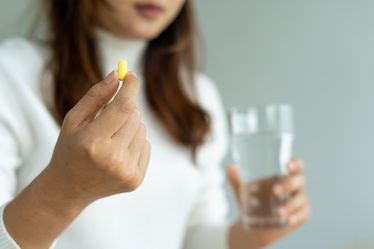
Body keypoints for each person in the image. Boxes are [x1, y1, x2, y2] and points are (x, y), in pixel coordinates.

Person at [0, 0, 310, 248]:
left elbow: (194, 237)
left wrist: (252, 235)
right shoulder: (12, 74)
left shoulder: (197, 96)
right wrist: (64, 190)